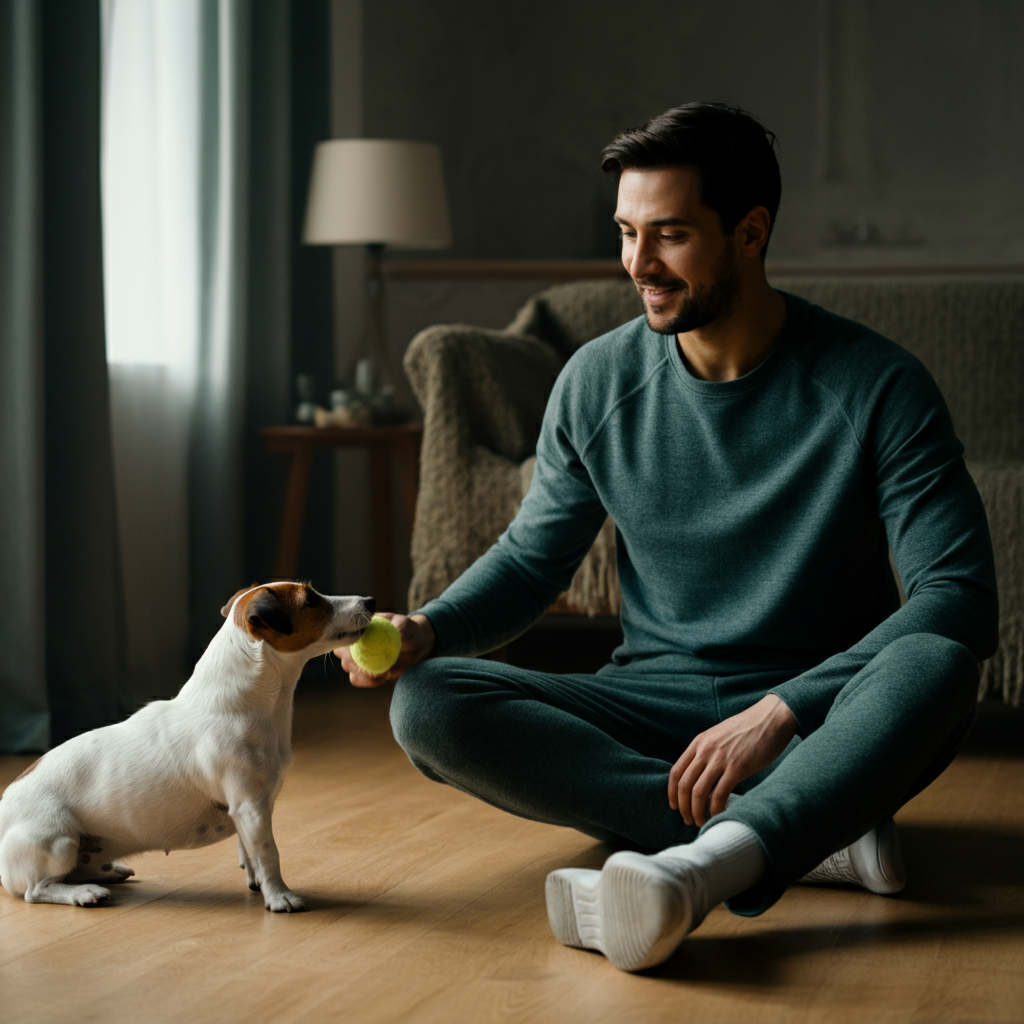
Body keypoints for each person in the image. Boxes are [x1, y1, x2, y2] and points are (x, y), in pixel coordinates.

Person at [335, 102, 998, 972]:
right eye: (625, 232)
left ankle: (710, 853)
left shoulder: (878, 385)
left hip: (820, 717)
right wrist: (430, 628)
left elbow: (960, 597)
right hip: (653, 709)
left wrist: (782, 708)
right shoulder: (596, 381)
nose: (637, 265)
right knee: (429, 703)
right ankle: (788, 838)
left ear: (751, 233)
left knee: (939, 659)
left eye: (671, 235)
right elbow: (533, 560)